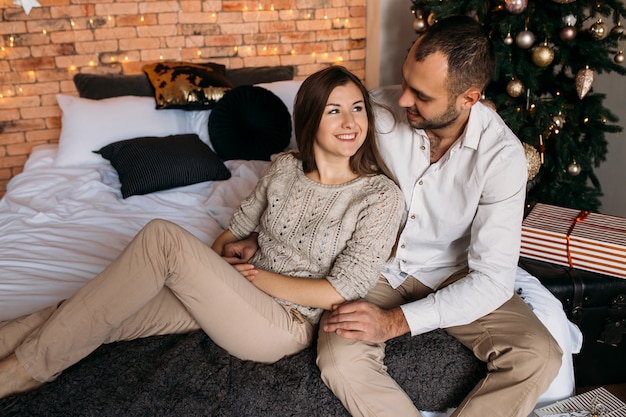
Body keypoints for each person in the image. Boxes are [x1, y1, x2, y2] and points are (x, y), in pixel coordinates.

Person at [0, 65, 405, 399]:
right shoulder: (283, 168)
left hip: (286, 323)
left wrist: (257, 276)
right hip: (235, 293)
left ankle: (26, 370)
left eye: (357, 109)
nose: (351, 122)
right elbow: (230, 235)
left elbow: (342, 290)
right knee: (104, 304)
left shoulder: (379, 195)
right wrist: (237, 252)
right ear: (311, 116)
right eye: (334, 111)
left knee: (162, 238)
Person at [316, 16, 563, 417]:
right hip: (372, 264)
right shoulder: (374, 114)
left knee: (540, 355)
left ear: (469, 98)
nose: (403, 100)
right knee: (340, 359)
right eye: (405, 81)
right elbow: (309, 169)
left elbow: (493, 278)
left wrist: (395, 322)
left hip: (454, 271)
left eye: (422, 95)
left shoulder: (502, 157)